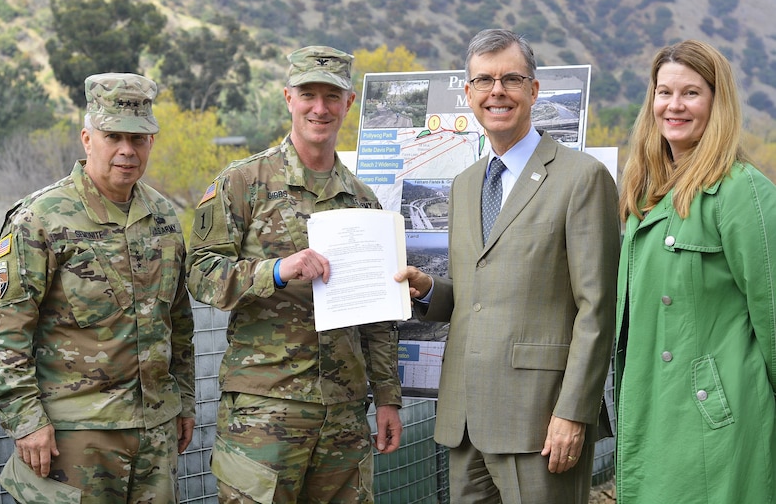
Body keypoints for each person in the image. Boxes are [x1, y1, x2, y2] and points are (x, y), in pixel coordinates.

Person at [394, 29, 620, 503]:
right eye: (483, 81)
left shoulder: (581, 178)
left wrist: (573, 413)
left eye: (511, 79)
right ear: (469, 93)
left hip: (538, 422)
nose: (497, 92)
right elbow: (476, 293)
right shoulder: (464, 184)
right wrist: (429, 290)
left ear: (533, 90)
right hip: (465, 420)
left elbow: (597, 308)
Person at [186, 45, 403, 503]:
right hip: (265, 411)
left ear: (349, 104)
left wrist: (387, 396)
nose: (319, 108)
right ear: (288, 97)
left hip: (344, 415)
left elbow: (379, 318)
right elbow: (201, 273)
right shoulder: (242, 183)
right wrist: (277, 271)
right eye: (308, 94)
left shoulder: (365, 203)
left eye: (332, 96)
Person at [0, 73, 196, 503]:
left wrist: (184, 403)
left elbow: (177, 322)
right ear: (87, 138)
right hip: (73, 438)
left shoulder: (162, 216)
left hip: (153, 436)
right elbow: (6, 331)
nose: (127, 150)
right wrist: (26, 420)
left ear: (151, 143)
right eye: (113, 136)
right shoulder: (40, 218)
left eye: (138, 138)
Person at [615, 39, 776, 503]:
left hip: (718, 423)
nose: (674, 106)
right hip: (651, 408)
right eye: (664, 93)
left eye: (691, 93)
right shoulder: (643, 194)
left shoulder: (742, 191)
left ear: (716, 100)